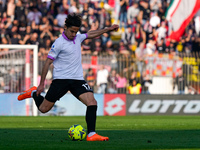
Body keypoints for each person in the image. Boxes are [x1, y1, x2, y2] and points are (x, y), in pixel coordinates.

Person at [18, 13, 119, 141]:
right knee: (43, 109)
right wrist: (41, 84)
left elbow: (91, 34)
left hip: (77, 80)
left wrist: (107, 29)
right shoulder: (59, 43)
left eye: (76, 32)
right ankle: (33, 93)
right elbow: (48, 62)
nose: (73, 34)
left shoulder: (78, 38)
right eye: (72, 31)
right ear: (65, 27)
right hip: (61, 80)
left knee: (92, 102)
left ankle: (91, 134)